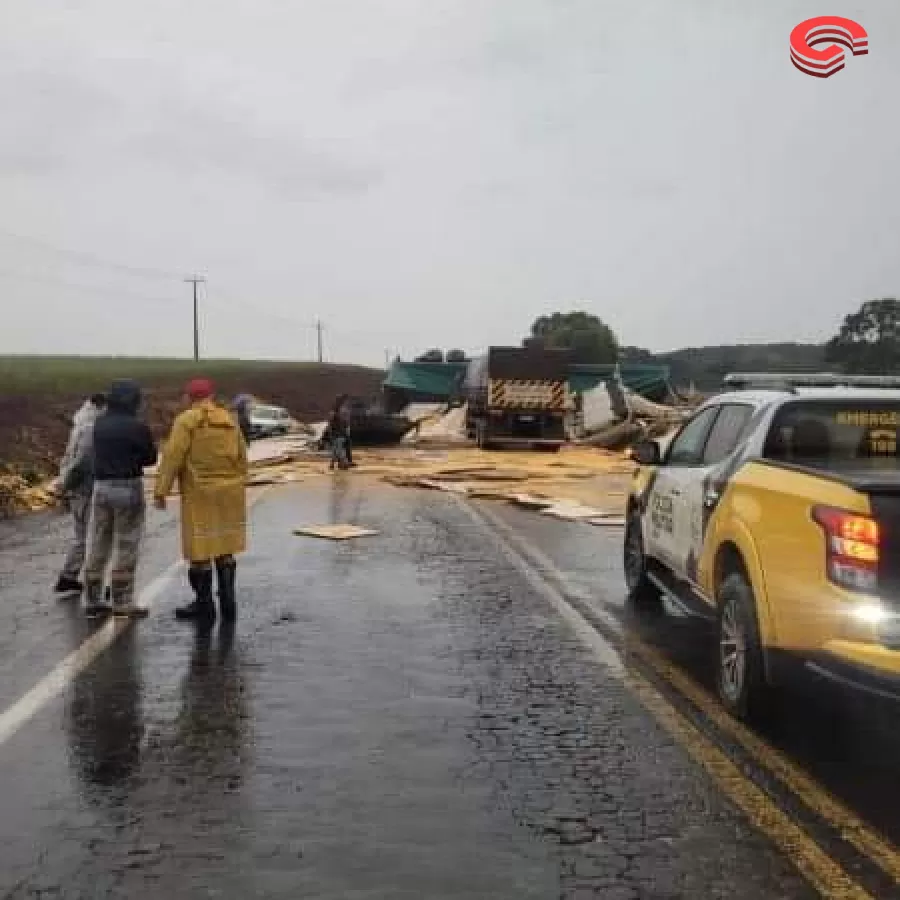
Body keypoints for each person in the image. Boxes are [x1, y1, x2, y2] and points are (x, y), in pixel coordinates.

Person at [154, 378, 248, 623]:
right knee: (225, 549)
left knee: (200, 550)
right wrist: (239, 482)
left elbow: (173, 456)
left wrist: (161, 490)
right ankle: (228, 602)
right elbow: (242, 455)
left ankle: (205, 606)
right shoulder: (229, 420)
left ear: (189, 397)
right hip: (230, 491)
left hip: (200, 492)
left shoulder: (186, 421)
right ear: (211, 396)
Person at [82, 380, 157, 618]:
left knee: (98, 541)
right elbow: (150, 459)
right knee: (126, 544)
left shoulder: (99, 424)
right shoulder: (138, 427)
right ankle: (122, 602)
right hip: (128, 486)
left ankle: (92, 600)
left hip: (101, 487)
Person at [54, 392, 107, 594]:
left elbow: (69, 459)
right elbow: (81, 462)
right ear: (99, 407)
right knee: (89, 537)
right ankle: (88, 582)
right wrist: (66, 486)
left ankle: (69, 576)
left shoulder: (80, 423)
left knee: (82, 536)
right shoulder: (89, 429)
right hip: (83, 489)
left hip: (76, 488)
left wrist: (63, 484)